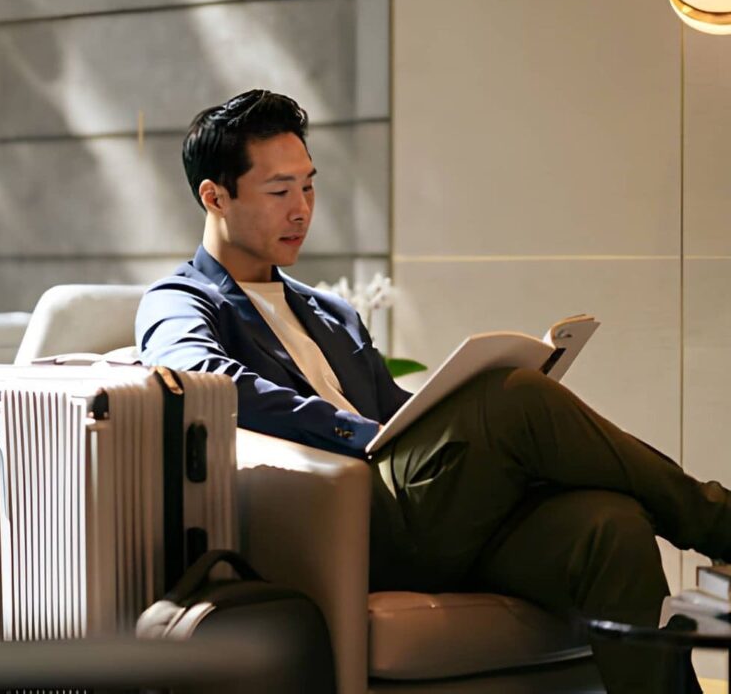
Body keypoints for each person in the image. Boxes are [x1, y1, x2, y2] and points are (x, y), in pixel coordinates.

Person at [135, 89, 730, 694]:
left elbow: (401, 414)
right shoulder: (181, 300)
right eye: (279, 191)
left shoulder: (330, 312)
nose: (302, 210)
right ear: (215, 196)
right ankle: (719, 522)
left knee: (612, 526)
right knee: (515, 399)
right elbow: (203, 379)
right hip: (341, 519)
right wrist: (354, 432)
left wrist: (464, 419)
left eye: (309, 186)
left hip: (430, 514)